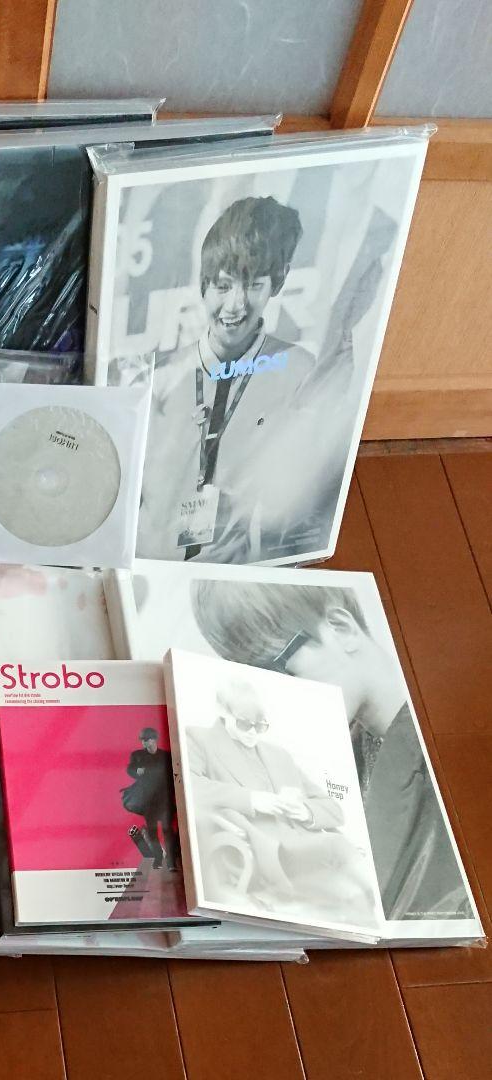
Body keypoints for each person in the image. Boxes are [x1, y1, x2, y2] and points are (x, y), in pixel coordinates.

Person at [190, 578, 473, 921]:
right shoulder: (343, 756)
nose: (274, 690)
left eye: (277, 667)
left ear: (342, 629)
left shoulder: (453, 752)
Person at [137, 195, 322, 564]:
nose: (235, 305)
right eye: (223, 286)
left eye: (253, 285)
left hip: (239, 567)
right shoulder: (161, 377)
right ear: (203, 285)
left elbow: (300, 491)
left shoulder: (299, 371)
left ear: (278, 282)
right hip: (150, 563)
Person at [187, 677, 379, 919]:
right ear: (223, 712)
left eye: (261, 726)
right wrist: (252, 799)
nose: (253, 733)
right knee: (341, 853)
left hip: (308, 845)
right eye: (245, 724)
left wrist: (305, 811)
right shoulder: (198, 739)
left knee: (354, 891)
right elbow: (190, 784)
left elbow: (334, 810)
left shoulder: (279, 756)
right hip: (268, 852)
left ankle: (369, 917)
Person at [125, 726, 177, 871]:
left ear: (154, 740)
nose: (144, 742)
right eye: (142, 740)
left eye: (147, 739)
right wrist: (136, 771)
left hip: (164, 800)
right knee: (152, 831)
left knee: (167, 830)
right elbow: (129, 769)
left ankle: (171, 862)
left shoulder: (166, 756)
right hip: (148, 801)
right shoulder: (138, 755)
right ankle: (158, 859)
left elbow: (175, 773)